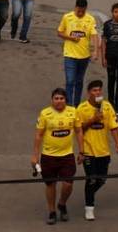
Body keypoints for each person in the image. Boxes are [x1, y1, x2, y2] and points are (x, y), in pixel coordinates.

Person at [32, 88, 84, 226]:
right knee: (50, 185)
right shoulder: (45, 114)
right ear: (52, 100)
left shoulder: (73, 112)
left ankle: (62, 203)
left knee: (68, 184)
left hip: (67, 155)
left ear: (65, 100)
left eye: (61, 98)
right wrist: (35, 156)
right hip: (48, 156)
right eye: (56, 98)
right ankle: (52, 211)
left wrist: (82, 151)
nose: (59, 101)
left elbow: (79, 131)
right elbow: (38, 135)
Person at [76, 80, 118, 221]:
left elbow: (113, 126)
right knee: (91, 180)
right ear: (89, 93)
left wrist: (117, 142)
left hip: (103, 151)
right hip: (89, 151)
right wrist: (93, 120)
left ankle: (89, 194)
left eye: (99, 90)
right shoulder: (82, 108)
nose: (97, 93)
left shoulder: (107, 106)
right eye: (94, 90)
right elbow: (79, 130)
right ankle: (89, 208)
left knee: (101, 180)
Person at [57, 0, 99, 107]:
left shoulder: (90, 19)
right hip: (69, 54)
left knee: (79, 81)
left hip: (84, 55)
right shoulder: (67, 17)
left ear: (86, 9)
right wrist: (70, 37)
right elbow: (60, 32)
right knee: (70, 80)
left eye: (83, 11)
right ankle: (69, 105)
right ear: (75, 7)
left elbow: (94, 35)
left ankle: (76, 103)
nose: (80, 13)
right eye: (79, 11)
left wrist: (95, 50)